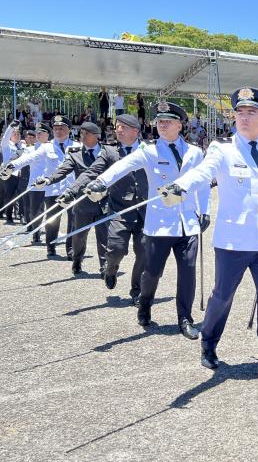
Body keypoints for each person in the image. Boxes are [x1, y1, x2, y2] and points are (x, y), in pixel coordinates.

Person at [161, 87, 258, 384]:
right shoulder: (222, 149)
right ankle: (208, 341)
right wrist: (180, 187)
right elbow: (203, 173)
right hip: (233, 241)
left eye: (251, 112)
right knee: (222, 296)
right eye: (240, 112)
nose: (244, 117)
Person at [85, 102, 209, 340]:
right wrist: (102, 182)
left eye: (168, 121)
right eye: (159, 121)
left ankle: (185, 318)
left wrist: (205, 211)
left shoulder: (194, 152)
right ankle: (145, 304)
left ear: (180, 125)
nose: (162, 125)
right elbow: (123, 165)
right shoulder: (149, 151)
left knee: (188, 273)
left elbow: (202, 182)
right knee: (152, 272)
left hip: (187, 223)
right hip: (160, 224)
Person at [63, 114, 148, 302]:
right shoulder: (109, 152)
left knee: (144, 252)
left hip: (144, 210)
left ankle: (137, 291)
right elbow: (91, 172)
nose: (118, 130)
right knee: (116, 249)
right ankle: (110, 269)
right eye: (117, 127)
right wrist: (72, 190)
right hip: (119, 211)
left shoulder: (149, 150)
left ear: (135, 131)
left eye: (123, 127)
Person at [30, 122, 107, 275]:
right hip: (83, 202)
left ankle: (105, 266)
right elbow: (62, 171)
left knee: (104, 235)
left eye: (86, 133)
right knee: (79, 236)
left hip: (103, 201)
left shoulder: (107, 152)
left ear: (96, 136)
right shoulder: (75, 154)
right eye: (81, 133)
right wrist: (48, 180)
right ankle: (77, 259)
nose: (82, 136)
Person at [6, 115, 77, 258]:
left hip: (72, 189)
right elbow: (29, 158)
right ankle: (51, 247)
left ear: (69, 130)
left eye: (62, 128)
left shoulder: (77, 146)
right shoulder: (47, 147)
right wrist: (13, 166)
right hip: (53, 189)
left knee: (73, 220)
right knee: (53, 220)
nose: (58, 131)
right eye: (56, 128)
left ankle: (71, 249)